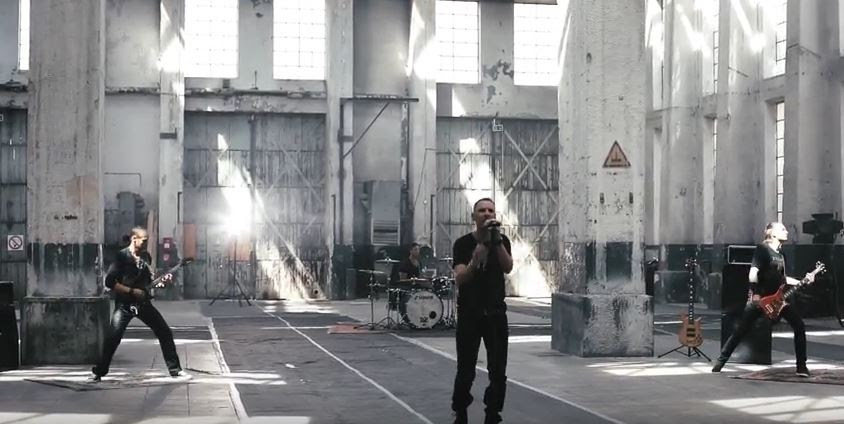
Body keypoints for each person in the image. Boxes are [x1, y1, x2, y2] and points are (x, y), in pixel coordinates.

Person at [712, 222, 814, 377]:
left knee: (799, 326)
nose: (787, 232)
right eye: (783, 229)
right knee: (741, 330)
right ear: (772, 233)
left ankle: (801, 367)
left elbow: (783, 279)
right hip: (760, 299)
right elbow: (753, 274)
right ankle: (720, 363)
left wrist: (803, 280)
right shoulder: (762, 250)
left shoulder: (782, 255)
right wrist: (755, 293)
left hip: (778, 300)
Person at [89, 227, 190, 381]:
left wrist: (163, 283)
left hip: (143, 304)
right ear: (134, 239)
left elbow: (149, 282)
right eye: (143, 241)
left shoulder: (145, 257)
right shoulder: (122, 256)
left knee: (164, 332)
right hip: (124, 305)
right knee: (113, 338)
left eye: (147, 241)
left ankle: (175, 369)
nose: (145, 244)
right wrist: (131, 291)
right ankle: (99, 372)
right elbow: (110, 282)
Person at [451, 198, 513, 424]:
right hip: (470, 313)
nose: (487, 214)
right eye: (481, 211)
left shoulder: (502, 241)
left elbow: (508, 267)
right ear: (473, 217)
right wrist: (476, 259)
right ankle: (460, 410)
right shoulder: (463, 244)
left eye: (490, 210)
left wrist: (497, 243)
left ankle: (493, 413)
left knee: (498, 370)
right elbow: (460, 278)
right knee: (466, 369)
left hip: (495, 314)